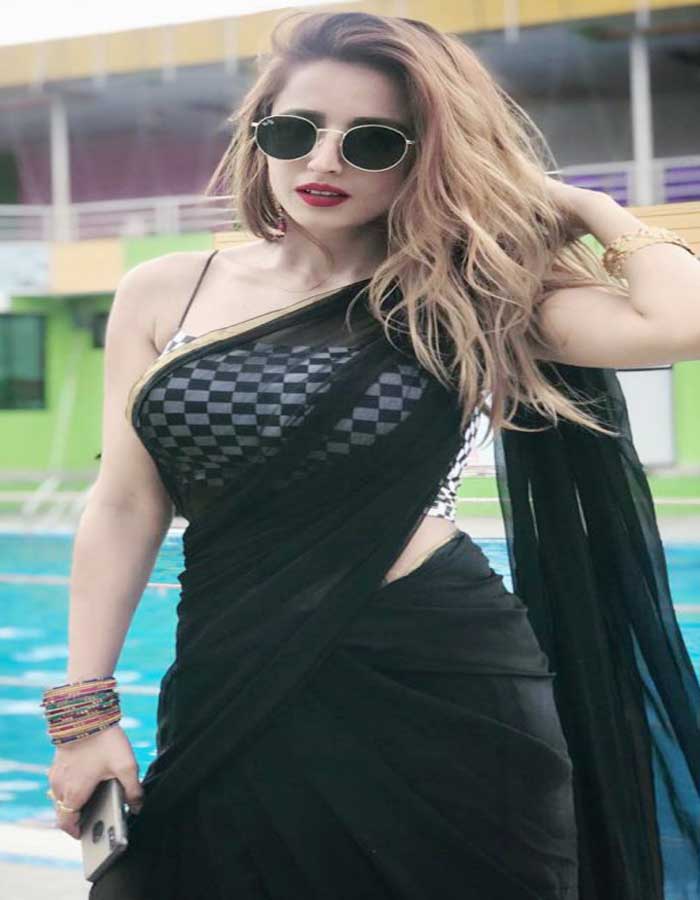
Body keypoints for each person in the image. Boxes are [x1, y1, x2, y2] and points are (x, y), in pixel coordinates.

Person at [42, 11, 700, 899]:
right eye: (295, 131)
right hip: (231, 671)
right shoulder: (164, 291)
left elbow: (680, 321)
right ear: (257, 134)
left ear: (427, 157)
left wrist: (587, 206)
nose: (323, 161)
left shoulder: (471, 293)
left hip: (441, 681)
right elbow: (125, 503)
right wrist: (83, 714)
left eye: (373, 141)